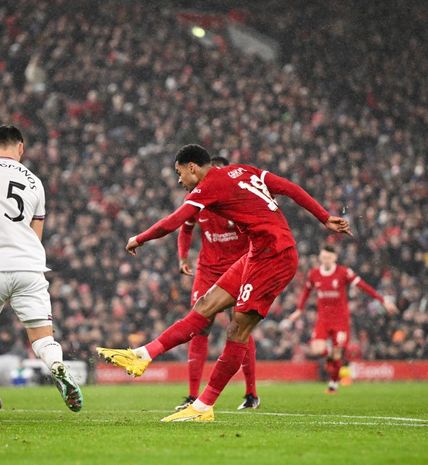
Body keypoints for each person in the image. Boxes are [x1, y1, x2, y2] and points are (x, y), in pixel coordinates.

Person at [97, 144, 350, 422]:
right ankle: (143, 354)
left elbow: (174, 222)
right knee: (205, 306)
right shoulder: (244, 170)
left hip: (275, 257)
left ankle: (205, 406)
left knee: (237, 330)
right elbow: (289, 187)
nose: (180, 181)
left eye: (179, 173)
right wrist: (323, 217)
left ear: (192, 167)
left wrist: (139, 238)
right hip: (256, 253)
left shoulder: (208, 186)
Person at [0, 125, 83, 413]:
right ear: (21, 148)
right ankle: (57, 365)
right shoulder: (35, 182)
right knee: (43, 338)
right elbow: (36, 235)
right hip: (29, 267)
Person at [176, 156, 258, 411]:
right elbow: (184, 227)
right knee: (199, 326)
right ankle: (191, 395)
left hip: (239, 268)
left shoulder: (237, 199)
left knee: (240, 325)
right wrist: (183, 257)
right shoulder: (197, 199)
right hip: (208, 270)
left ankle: (251, 394)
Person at [284, 245, 397, 393]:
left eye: (329, 257)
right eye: (323, 257)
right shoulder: (314, 274)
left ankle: (333, 384)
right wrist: (299, 310)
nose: (326, 260)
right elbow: (306, 291)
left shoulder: (343, 272)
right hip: (323, 320)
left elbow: (363, 286)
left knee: (337, 355)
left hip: (340, 320)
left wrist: (383, 301)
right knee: (317, 349)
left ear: (334, 257)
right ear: (320, 257)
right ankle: (330, 358)